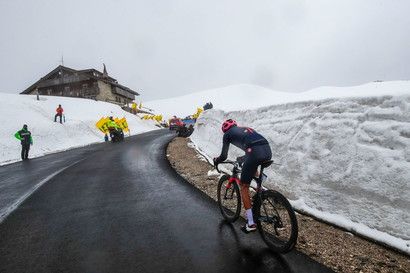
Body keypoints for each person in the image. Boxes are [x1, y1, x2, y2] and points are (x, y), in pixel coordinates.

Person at [213, 119, 272, 233]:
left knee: (244, 186)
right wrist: (242, 158)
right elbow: (251, 146)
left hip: (254, 152)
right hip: (267, 150)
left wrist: (217, 160)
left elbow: (224, 156)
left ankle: (250, 223)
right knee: (253, 167)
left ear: (225, 129)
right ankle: (261, 190)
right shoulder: (245, 129)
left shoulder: (227, 135)